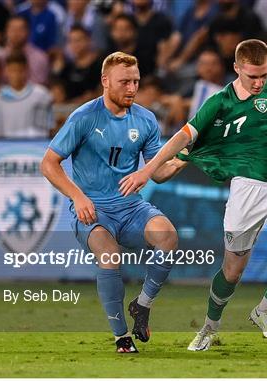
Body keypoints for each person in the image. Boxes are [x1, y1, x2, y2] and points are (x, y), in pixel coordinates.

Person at [118, 39, 267, 351]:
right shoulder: (219, 103)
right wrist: (148, 171)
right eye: (252, 76)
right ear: (237, 68)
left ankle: (265, 310)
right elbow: (181, 138)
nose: (259, 82)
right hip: (246, 192)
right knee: (232, 271)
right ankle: (210, 326)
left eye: (264, 75)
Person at [40, 52, 186, 353]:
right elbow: (49, 164)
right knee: (109, 255)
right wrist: (77, 196)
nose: (131, 88)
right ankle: (122, 337)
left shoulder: (146, 119)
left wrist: (182, 160)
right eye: (124, 82)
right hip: (93, 209)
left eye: (135, 81)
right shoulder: (83, 117)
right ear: (105, 81)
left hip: (132, 208)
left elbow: (156, 173)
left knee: (169, 237)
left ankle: (142, 306)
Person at [0, 52, 53, 138]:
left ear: (27, 70)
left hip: (35, 148)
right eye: (12, 70)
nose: (16, 75)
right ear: (6, 71)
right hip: (6, 148)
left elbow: (47, 129)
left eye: (20, 70)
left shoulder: (42, 95)